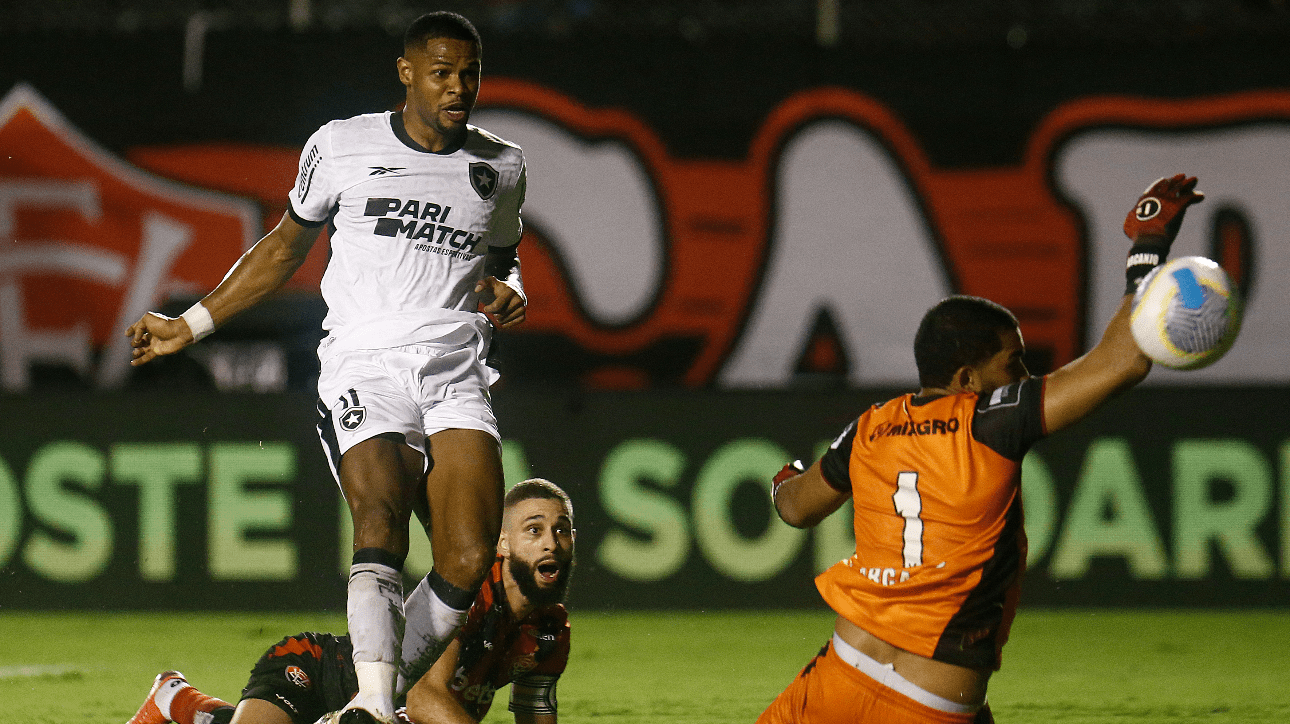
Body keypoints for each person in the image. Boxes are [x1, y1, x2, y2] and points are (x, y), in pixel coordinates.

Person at [125, 12, 527, 724]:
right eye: (442, 73)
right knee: (380, 522)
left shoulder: (501, 166)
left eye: (470, 73)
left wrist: (512, 289)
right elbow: (282, 249)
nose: (458, 87)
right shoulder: (341, 146)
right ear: (407, 73)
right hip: (363, 363)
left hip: (456, 369)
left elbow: (502, 260)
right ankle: (372, 705)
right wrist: (189, 325)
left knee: (467, 559)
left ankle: (340, 703)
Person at [757, 174, 1205, 724]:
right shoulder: (993, 421)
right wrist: (1148, 248)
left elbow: (795, 507)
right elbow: (1125, 361)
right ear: (968, 379)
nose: (1024, 374)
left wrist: (783, 479)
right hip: (929, 704)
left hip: (836, 678)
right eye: (1011, 363)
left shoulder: (870, 427)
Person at [125, 478, 575, 724]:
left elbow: (536, 710)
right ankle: (180, 701)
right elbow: (423, 698)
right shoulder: (471, 596)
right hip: (319, 672)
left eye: (561, 530)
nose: (551, 543)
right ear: (500, 543)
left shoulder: (551, 632)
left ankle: (179, 701)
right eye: (533, 530)